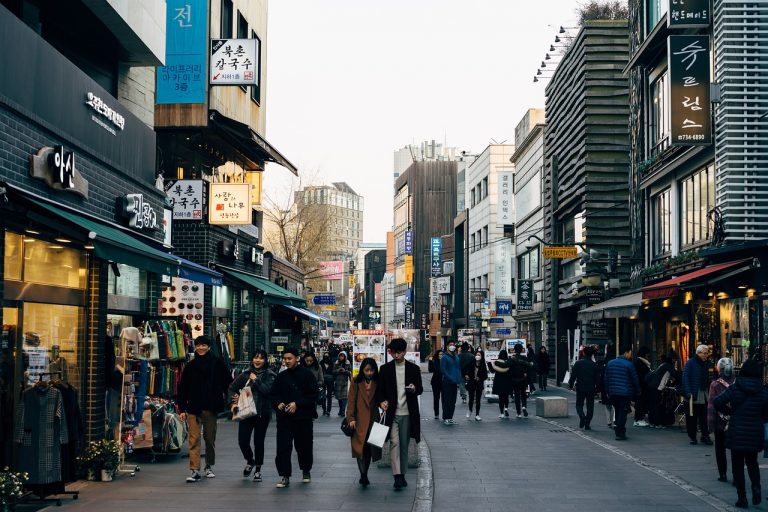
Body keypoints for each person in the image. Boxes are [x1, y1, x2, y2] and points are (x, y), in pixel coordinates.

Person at [714, 359, 768, 509]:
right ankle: (756, 487)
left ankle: (742, 497)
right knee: (752, 462)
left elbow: (718, 402)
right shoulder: (763, 390)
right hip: (754, 432)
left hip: (737, 430)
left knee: (737, 466)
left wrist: (731, 412)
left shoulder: (735, 388)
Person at [178, 335, 232, 482]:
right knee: (193, 439)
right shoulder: (190, 366)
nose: (201, 348)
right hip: (193, 407)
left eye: (204, 345)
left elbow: (229, 382)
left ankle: (209, 466)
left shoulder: (218, 364)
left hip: (211, 406)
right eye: (198, 345)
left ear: (209, 347)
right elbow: (183, 388)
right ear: (195, 347)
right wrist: (182, 408)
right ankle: (194, 469)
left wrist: (232, 401)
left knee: (209, 438)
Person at [375, 338, 423, 490]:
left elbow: (420, 389)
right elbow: (379, 391)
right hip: (392, 413)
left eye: (398, 352)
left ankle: (402, 474)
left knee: (404, 444)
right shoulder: (385, 369)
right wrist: (381, 401)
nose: (395, 355)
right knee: (394, 443)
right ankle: (397, 476)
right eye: (393, 352)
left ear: (405, 351)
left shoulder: (414, 369)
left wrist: (414, 388)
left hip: (408, 413)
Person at [270, 347, 319, 488]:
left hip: (303, 417)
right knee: (283, 447)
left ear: (297, 358)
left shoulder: (307, 374)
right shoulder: (281, 376)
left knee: (304, 446)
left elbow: (313, 394)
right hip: (284, 418)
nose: (286, 361)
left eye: (289, 358)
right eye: (285, 359)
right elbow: (273, 393)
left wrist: (297, 403)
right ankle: (285, 476)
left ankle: (306, 470)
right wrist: (278, 403)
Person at [228, 349, 276, 482]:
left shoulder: (270, 375)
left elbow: (267, 391)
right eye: (255, 357)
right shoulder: (245, 374)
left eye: (261, 358)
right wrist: (233, 402)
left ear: (265, 360)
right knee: (242, 441)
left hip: (262, 413)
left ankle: (258, 470)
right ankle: (250, 460)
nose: (257, 360)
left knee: (258, 441)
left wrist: (255, 381)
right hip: (245, 412)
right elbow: (232, 387)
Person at [346, 358, 382, 488]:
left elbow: (381, 398)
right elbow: (351, 401)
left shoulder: (378, 381)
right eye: (367, 370)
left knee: (369, 449)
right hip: (359, 420)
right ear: (362, 369)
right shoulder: (356, 380)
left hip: (373, 419)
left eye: (372, 370)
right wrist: (350, 418)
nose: (369, 373)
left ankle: (365, 472)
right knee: (359, 448)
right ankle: (363, 474)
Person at [604, 344, 640, 441]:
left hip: (613, 393)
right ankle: (619, 432)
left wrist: (607, 391)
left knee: (618, 410)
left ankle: (620, 430)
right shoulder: (629, 364)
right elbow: (635, 379)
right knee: (623, 412)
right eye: (630, 353)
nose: (631, 355)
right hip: (625, 393)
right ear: (626, 353)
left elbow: (606, 378)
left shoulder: (610, 363)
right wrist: (638, 391)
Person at [708, 357, 733, 483]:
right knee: (735, 450)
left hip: (720, 421)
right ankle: (736, 475)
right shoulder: (737, 383)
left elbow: (712, 406)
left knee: (720, 449)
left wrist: (710, 425)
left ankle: (722, 473)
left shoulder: (715, 384)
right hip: (734, 421)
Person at [682, 344, 713, 446]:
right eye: (704, 353)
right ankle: (693, 437)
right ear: (698, 353)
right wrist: (688, 392)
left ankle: (705, 435)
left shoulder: (707, 363)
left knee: (704, 417)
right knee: (692, 417)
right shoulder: (690, 363)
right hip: (693, 393)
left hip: (704, 393)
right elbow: (685, 378)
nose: (706, 355)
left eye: (707, 353)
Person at [568, 345, 600, 430]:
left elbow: (573, 376)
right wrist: (598, 389)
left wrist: (570, 384)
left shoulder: (578, 363)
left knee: (579, 404)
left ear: (584, 353)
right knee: (590, 406)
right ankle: (587, 423)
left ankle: (582, 415)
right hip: (591, 388)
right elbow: (597, 379)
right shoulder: (594, 365)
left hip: (580, 387)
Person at [647, 350, 680, 427]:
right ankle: (657, 423)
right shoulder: (668, 366)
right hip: (657, 387)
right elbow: (677, 376)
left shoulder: (663, 365)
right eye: (675, 359)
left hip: (652, 386)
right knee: (657, 405)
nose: (675, 361)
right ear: (672, 359)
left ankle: (652, 422)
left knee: (653, 405)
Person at [440, 340, 462, 425]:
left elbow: (458, 368)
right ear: (447, 346)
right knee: (447, 400)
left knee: (453, 401)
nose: (452, 346)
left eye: (453, 344)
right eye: (450, 345)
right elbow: (443, 370)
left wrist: (459, 377)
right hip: (447, 382)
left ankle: (450, 417)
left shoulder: (456, 357)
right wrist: (450, 378)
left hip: (454, 382)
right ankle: (446, 417)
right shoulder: (445, 357)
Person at [509, 344, 533, 418]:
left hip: (515, 379)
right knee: (523, 394)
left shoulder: (512, 358)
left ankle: (518, 413)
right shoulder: (524, 358)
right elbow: (528, 368)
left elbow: (510, 368)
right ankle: (524, 407)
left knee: (517, 395)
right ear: (521, 350)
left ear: (514, 349)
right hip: (523, 379)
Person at [464, 349, 488, 421]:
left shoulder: (483, 365)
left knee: (478, 400)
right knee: (471, 398)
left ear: (482, 356)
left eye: (479, 355)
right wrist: (466, 375)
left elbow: (485, 376)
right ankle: (470, 410)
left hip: (479, 384)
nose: (477, 356)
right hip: (471, 383)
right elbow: (465, 370)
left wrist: (480, 378)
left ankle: (477, 414)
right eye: (477, 355)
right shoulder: (471, 363)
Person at [489, 350, 512, 418]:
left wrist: (489, 364)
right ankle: (506, 409)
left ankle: (501, 413)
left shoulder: (496, 362)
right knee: (506, 396)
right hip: (507, 381)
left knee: (501, 398)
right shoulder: (508, 363)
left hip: (499, 381)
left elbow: (492, 371)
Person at [633, 346, 652, 427]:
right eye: (648, 354)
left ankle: (639, 418)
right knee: (640, 403)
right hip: (641, 387)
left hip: (641, 387)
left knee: (640, 403)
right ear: (645, 354)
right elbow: (642, 376)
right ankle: (638, 419)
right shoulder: (640, 363)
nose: (649, 356)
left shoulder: (640, 362)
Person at [599, 345, 616, 428]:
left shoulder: (604, 367)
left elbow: (601, 379)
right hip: (614, 388)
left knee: (607, 406)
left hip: (605, 389)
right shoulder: (614, 365)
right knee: (615, 406)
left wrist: (600, 389)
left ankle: (608, 421)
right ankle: (614, 420)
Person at [333, 352, 352, 417]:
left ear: (345, 357)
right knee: (339, 398)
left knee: (344, 397)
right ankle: (341, 409)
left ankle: (343, 411)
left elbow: (350, 372)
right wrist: (338, 370)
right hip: (338, 382)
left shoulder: (348, 363)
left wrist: (345, 371)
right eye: (340, 356)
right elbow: (333, 371)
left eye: (342, 356)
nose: (341, 357)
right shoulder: (336, 363)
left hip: (345, 382)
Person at [427, 349, 444, 420]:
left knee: (444, 398)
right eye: (440, 354)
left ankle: (445, 413)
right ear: (437, 355)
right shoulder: (434, 360)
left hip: (444, 382)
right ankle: (436, 413)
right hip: (435, 382)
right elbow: (431, 370)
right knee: (436, 398)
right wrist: (430, 361)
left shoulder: (445, 361)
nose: (441, 356)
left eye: (442, 354)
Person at [320, 353, 334, 417]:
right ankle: (324, 409)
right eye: (325, 356)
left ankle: (328, 410)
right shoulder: (321, 363)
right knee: (323, 395)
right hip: (323, 381)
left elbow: (333, 372)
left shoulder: (331, 363)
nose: (326, 357)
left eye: (327, 356)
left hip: (330, 381)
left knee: (329, 396)